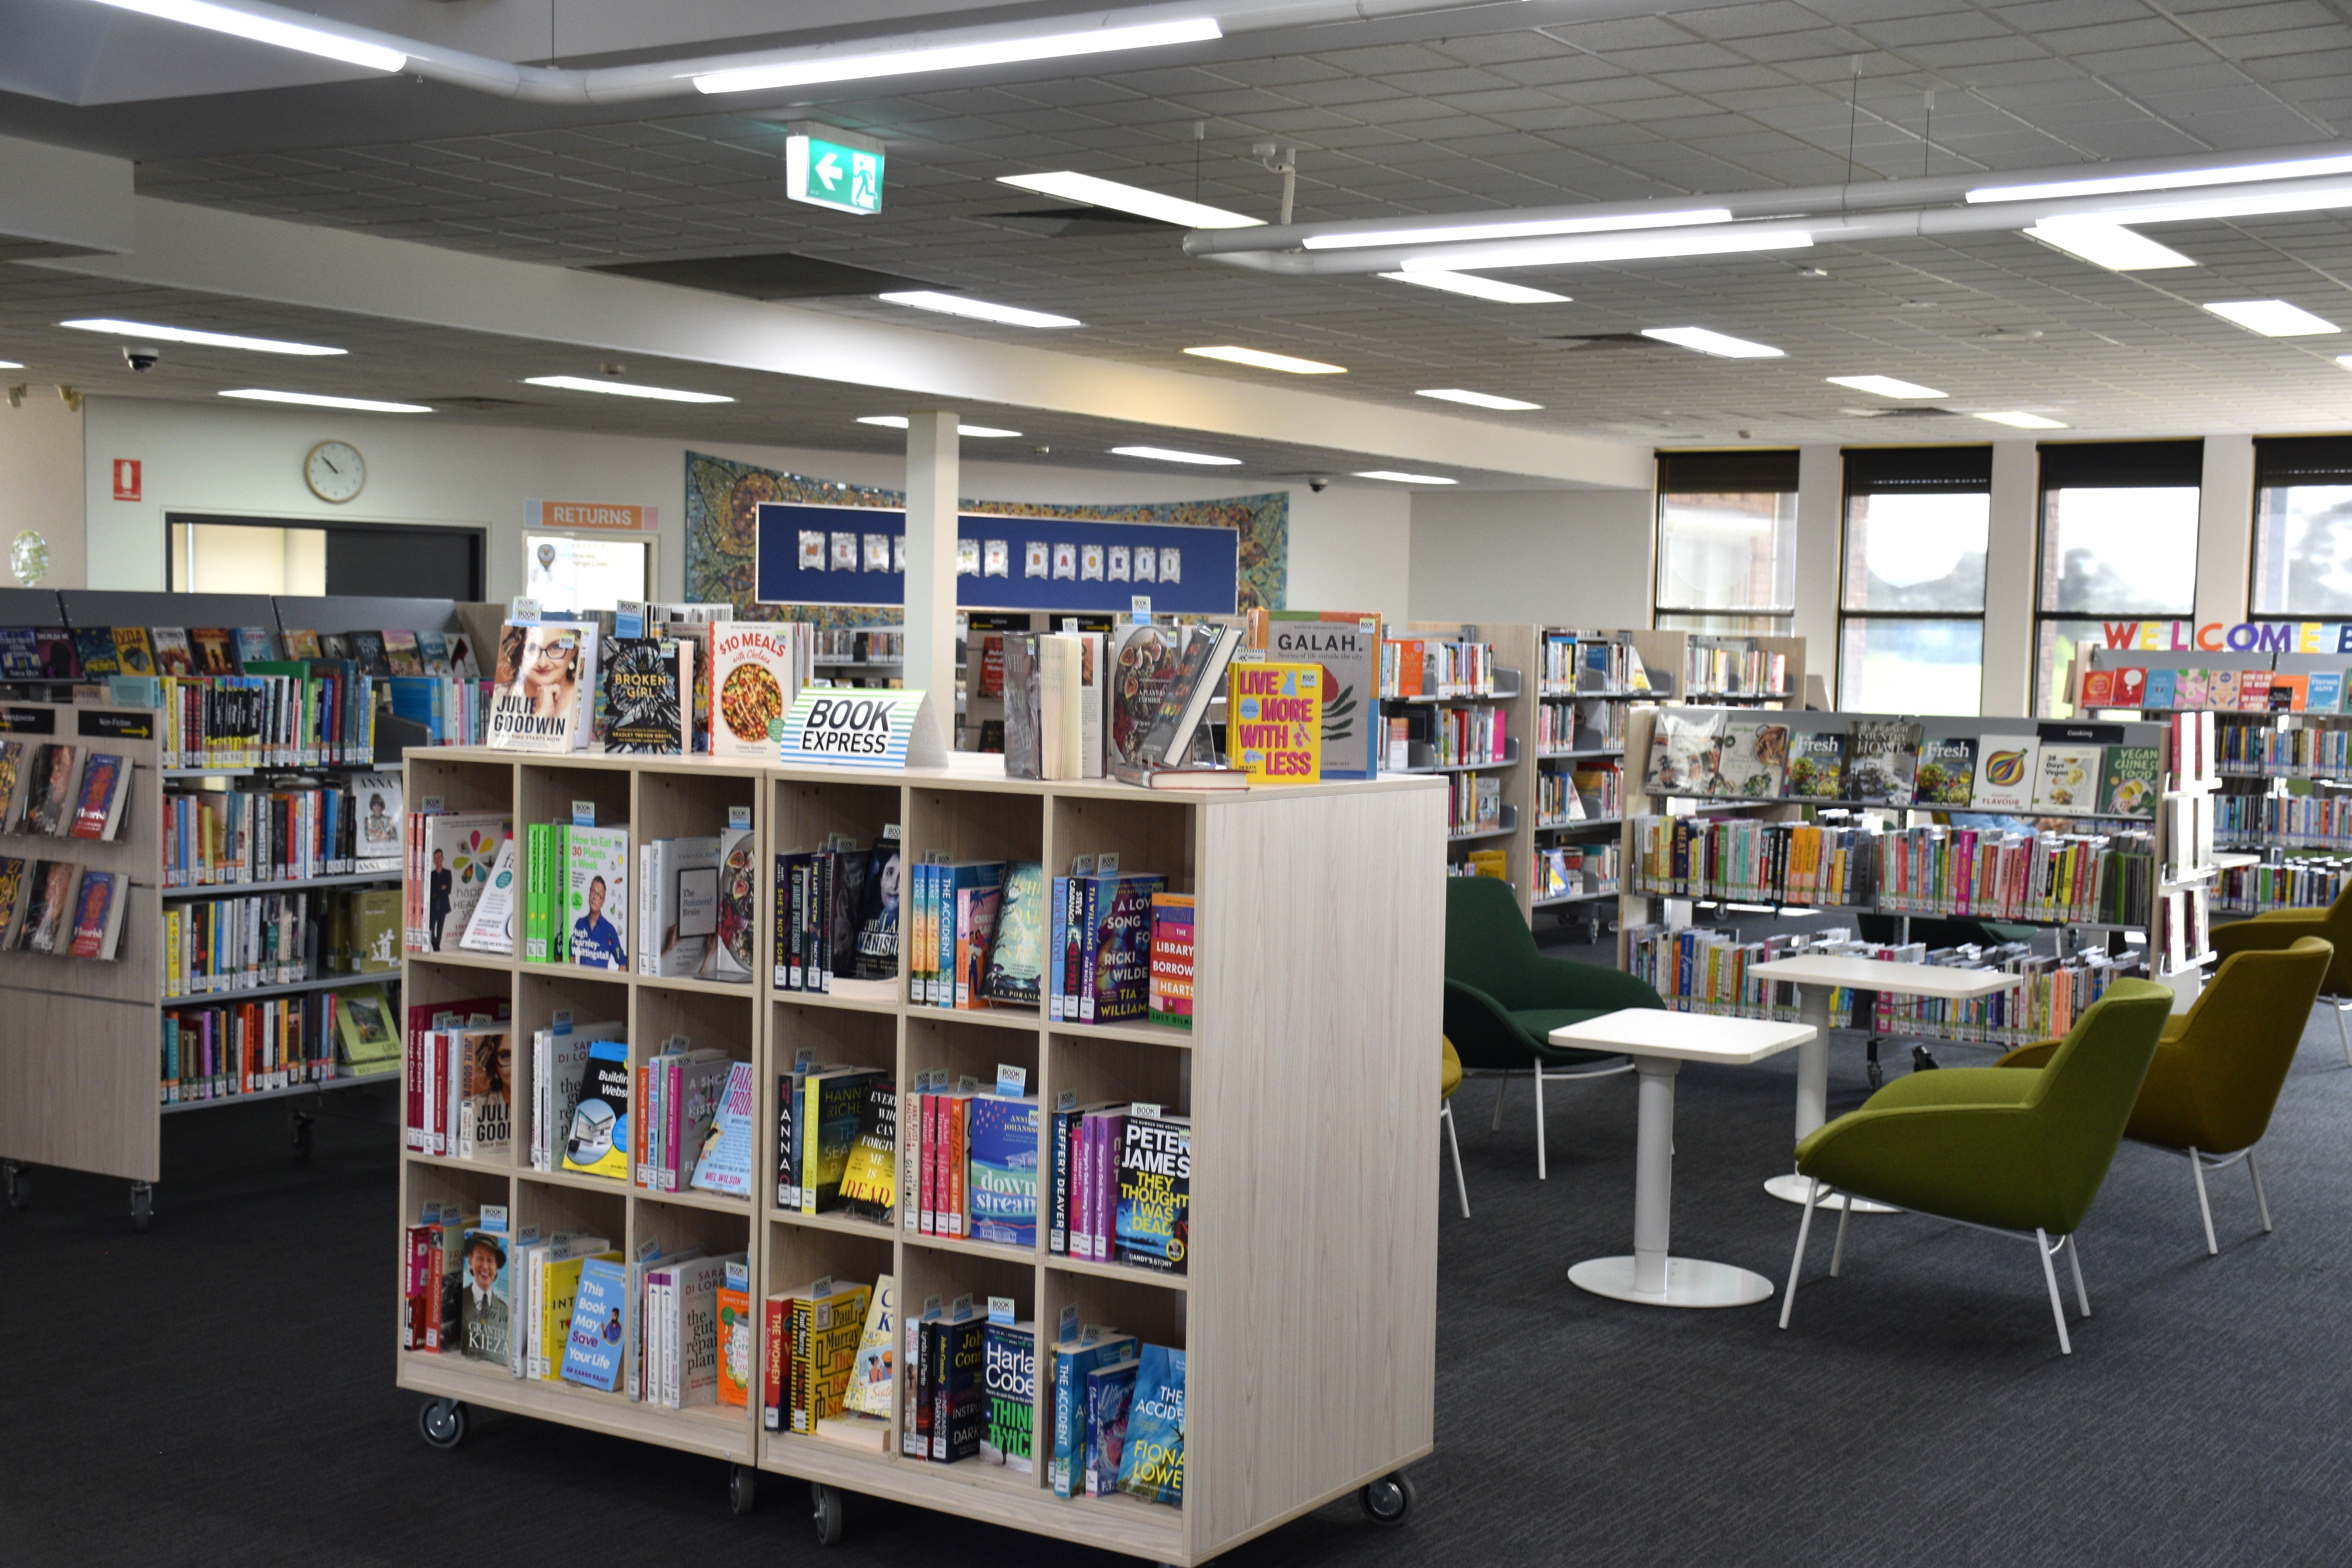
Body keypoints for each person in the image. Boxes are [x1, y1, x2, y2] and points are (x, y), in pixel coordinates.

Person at [460, 1232, 508, 1361]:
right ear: (470, 1261)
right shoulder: (458, 1299)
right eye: (480, 1258)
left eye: (491, 1260)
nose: (485, 1266)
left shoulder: (506, 1312)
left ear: (497, 1267)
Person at [572, 873, 621, 968]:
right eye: (593, 892)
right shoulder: (580, 924)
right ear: (589, 893)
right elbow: (570, 951)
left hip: (602, 982)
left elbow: (622, 961)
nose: (595, 897)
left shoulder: (609, 930)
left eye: (599, 895)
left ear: (603, 902)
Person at [428, 848, 452, 949]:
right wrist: (441, 887)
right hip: (433, 906)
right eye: (436, 858)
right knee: (430, 929)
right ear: (434, 860)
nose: (438, 859)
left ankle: (437, 948)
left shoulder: (448, 873)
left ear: (443, 858)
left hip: (443, 906)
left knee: (440, 929)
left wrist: (440, 889)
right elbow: (430, 890)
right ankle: (436, 946)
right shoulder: (431, 875)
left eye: (440, 857)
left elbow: (449, 890)